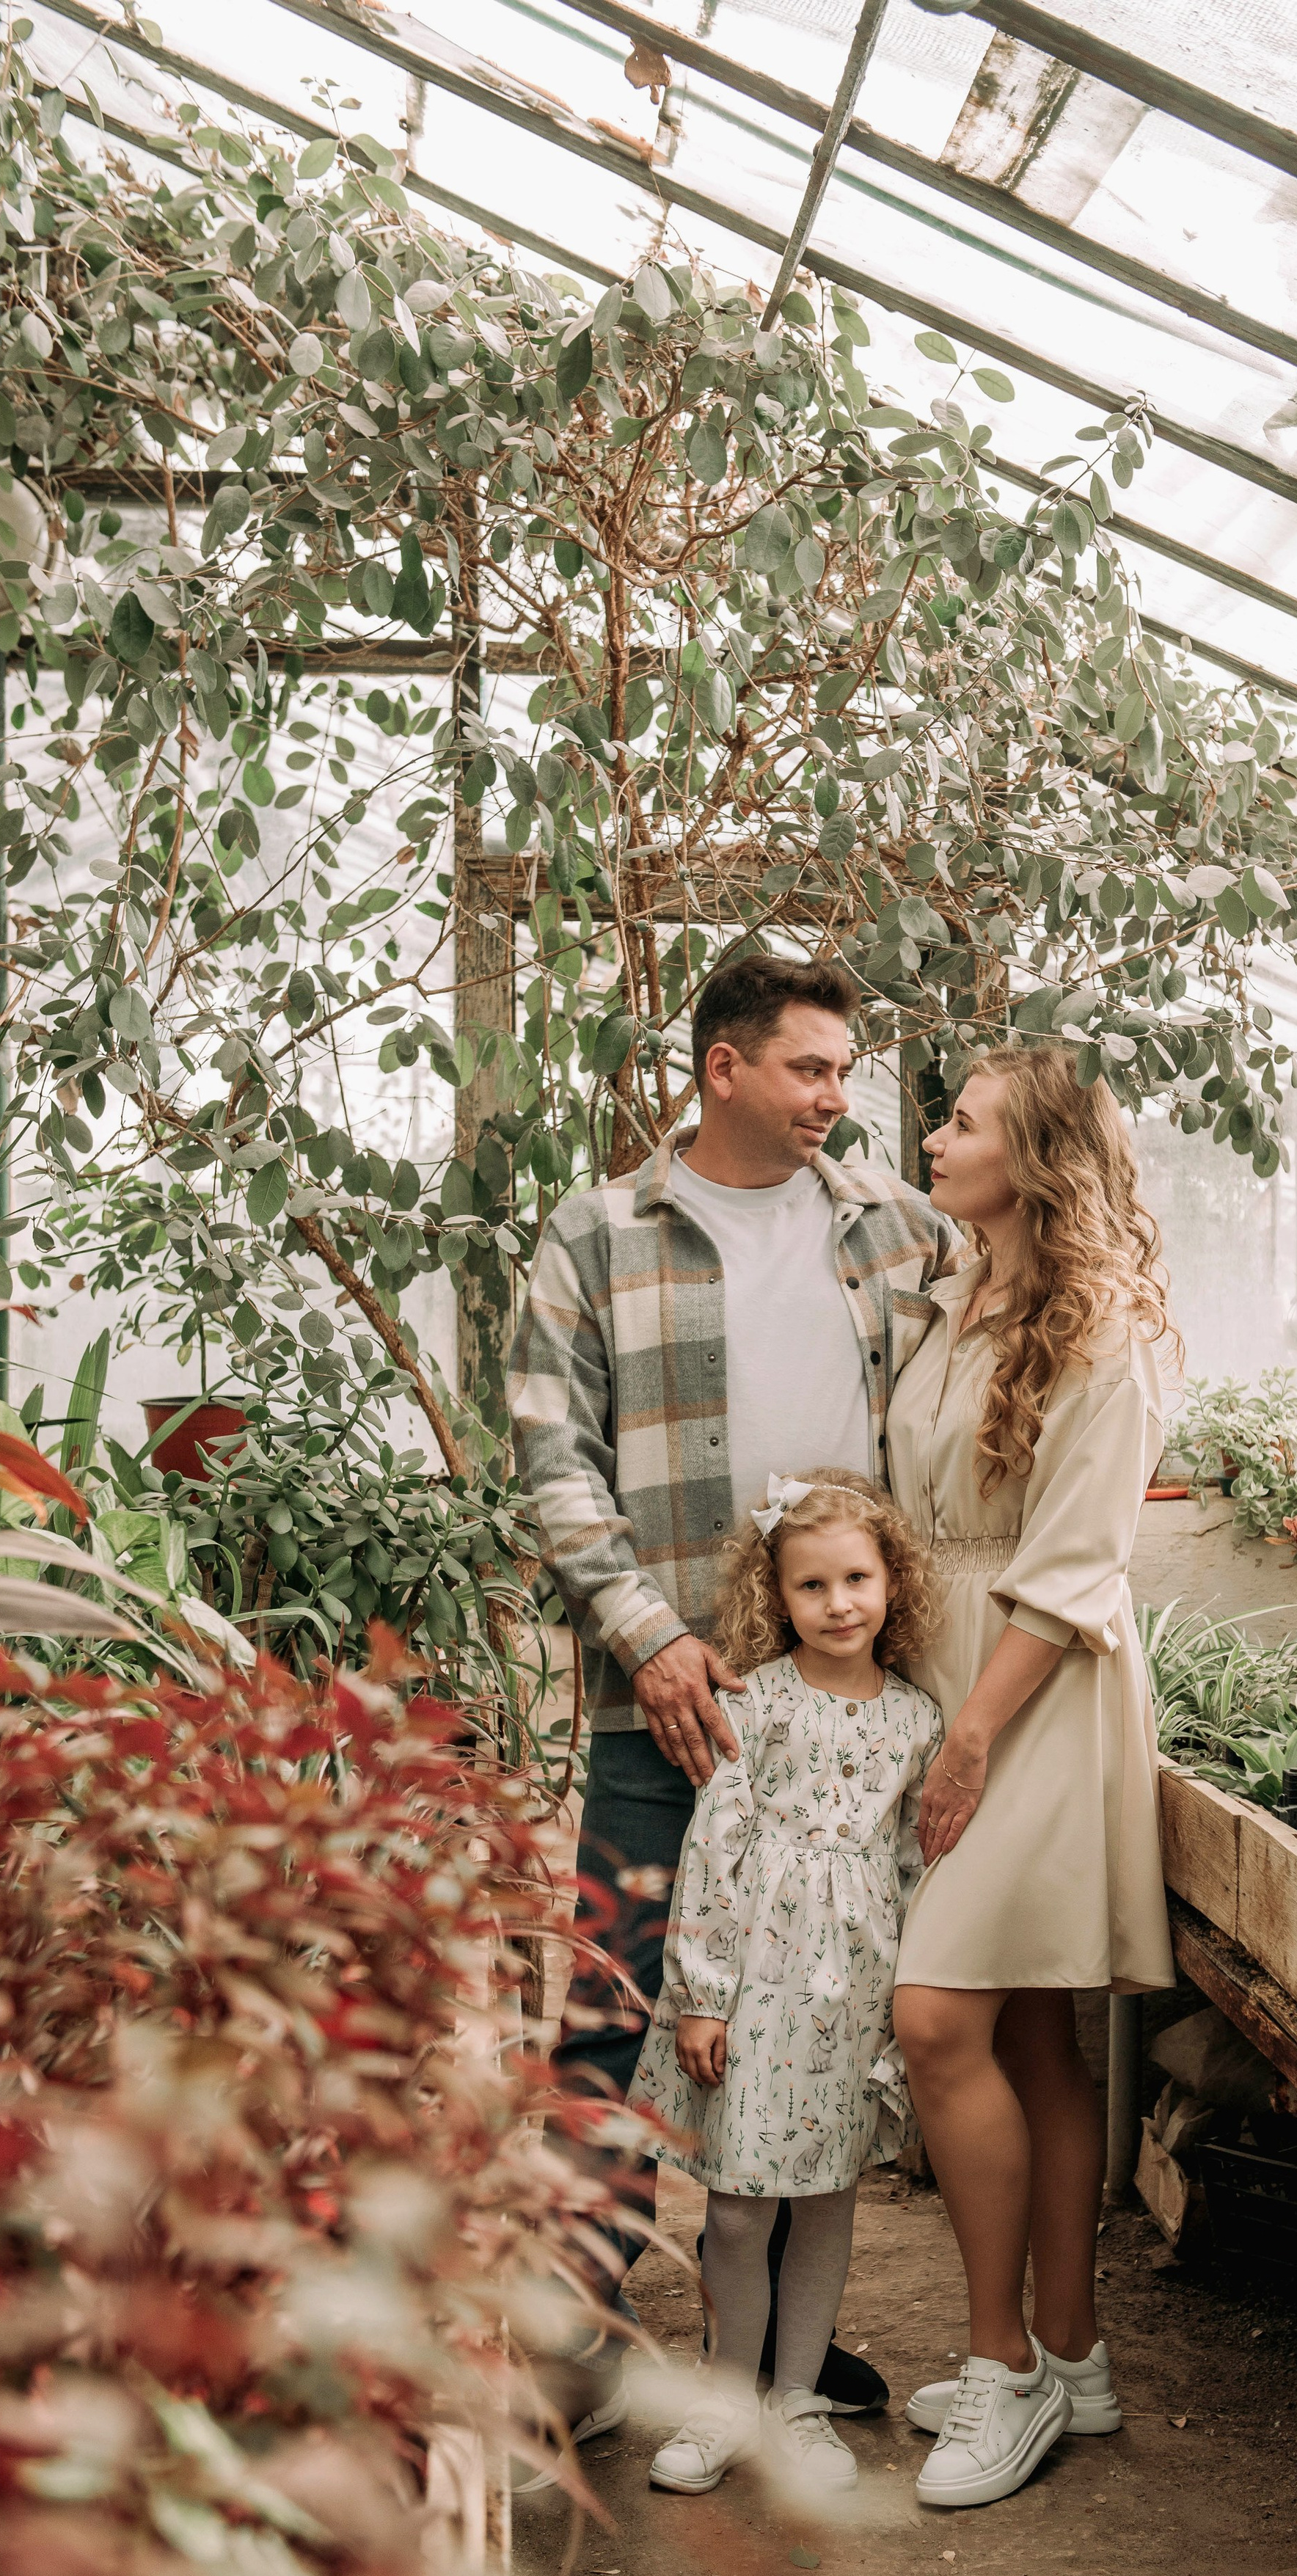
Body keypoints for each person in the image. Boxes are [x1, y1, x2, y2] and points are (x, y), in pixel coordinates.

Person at [508, 950, 957, 2447]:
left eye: (843, 1073)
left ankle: (777, 2345)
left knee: (816, 2010)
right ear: (722, 1068)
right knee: (620, 2001)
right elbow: (551, 1462)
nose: (837, 1098)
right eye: (809, 1070)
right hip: (670, 1700)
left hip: (839, 1715)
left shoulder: (897, 1232)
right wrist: (647, 1635)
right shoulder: (595, 1236)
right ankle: (581, 2340)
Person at [885, 1040, 1177, 2510]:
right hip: (952, 1683)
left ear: (1040, 1155)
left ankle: (996, 2370)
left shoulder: (1103, 1327)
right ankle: (1072, 2354)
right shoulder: (954, 1300)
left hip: (1035, 1697)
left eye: (963, 1120)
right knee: (1029, 2042)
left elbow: (1072, 1568)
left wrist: (969, 1735)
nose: (934, 1137)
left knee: (934, 2015)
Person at [627, 1470, 943, 2496]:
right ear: (779, 1596)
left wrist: (907, 2003)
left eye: (858, 1576)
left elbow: (910, 1865)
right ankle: (725, 2397)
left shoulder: (916, 1721)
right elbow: (713, 1847)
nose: (840, 1602)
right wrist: (704, 1991)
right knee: (736, 2204)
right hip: (758, 1982)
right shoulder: (752, 1704)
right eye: (813, 1585)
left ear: (892, 1580)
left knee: (827, 2195)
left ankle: (799, 2396)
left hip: (853, 1989)